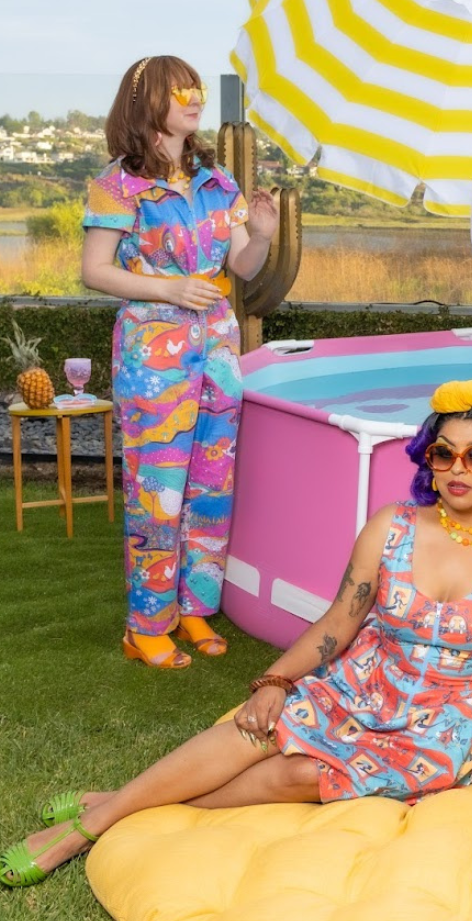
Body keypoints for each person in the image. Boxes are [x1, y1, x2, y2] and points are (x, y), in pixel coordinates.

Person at [0, 379, 472, 888]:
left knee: (300, 774)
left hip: (452, 722)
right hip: (371, 681)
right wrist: (276, 680)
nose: (458, 467)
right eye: (443, 452)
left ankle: (113, 802)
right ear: (428, 460)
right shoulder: (393, 526)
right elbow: (340, 620)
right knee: (258, 727)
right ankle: (91, 825)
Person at [80, 56, 278, 669]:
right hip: (152, 355)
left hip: (217, 348)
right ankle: (146, 623)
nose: (196, 98)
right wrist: (166, 289)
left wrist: (265, 233)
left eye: (198, 88)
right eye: (181, 90)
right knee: (158, 488)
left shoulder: (219, 181)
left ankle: (194, 608)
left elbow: (243, 266)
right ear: (147, 103)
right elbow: (93, 270)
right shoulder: (117, 185)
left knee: (211, 484)